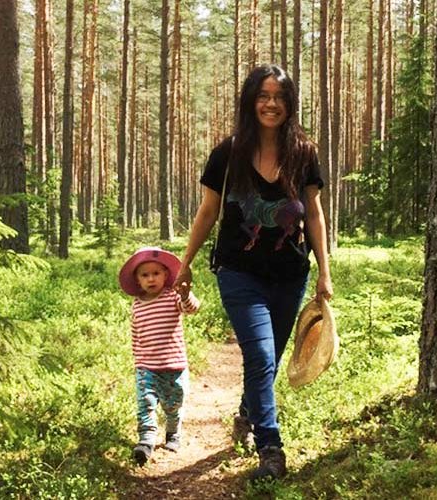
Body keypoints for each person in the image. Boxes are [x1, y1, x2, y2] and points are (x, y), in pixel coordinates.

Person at [174, 64, 333, 481]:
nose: (271, 104)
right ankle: (271, 448)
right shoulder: (228, 153)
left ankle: (247, 412)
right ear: (250, 100)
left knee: (271, 359)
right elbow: (208, 211)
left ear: (289, 103)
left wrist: (324, 272)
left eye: (279, 97)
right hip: (238, 270)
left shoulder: (304, 152)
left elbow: (313, 214)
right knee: (261, 354)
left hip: (291, 272)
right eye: (263, 95)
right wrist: (185, 263)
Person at [118, 246, 201, 466]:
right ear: (137, 280)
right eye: (145, 275)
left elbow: (191, 308)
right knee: (145, 402)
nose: (151, 279)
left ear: (166, 275)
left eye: (156, 273)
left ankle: (173, 432)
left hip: (174, 364)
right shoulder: (137, 304)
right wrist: (138, 361)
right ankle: (146, 440)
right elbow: (136, 335)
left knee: (173, 403)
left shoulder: (172, 296)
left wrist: (185, 294)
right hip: (147, 366)